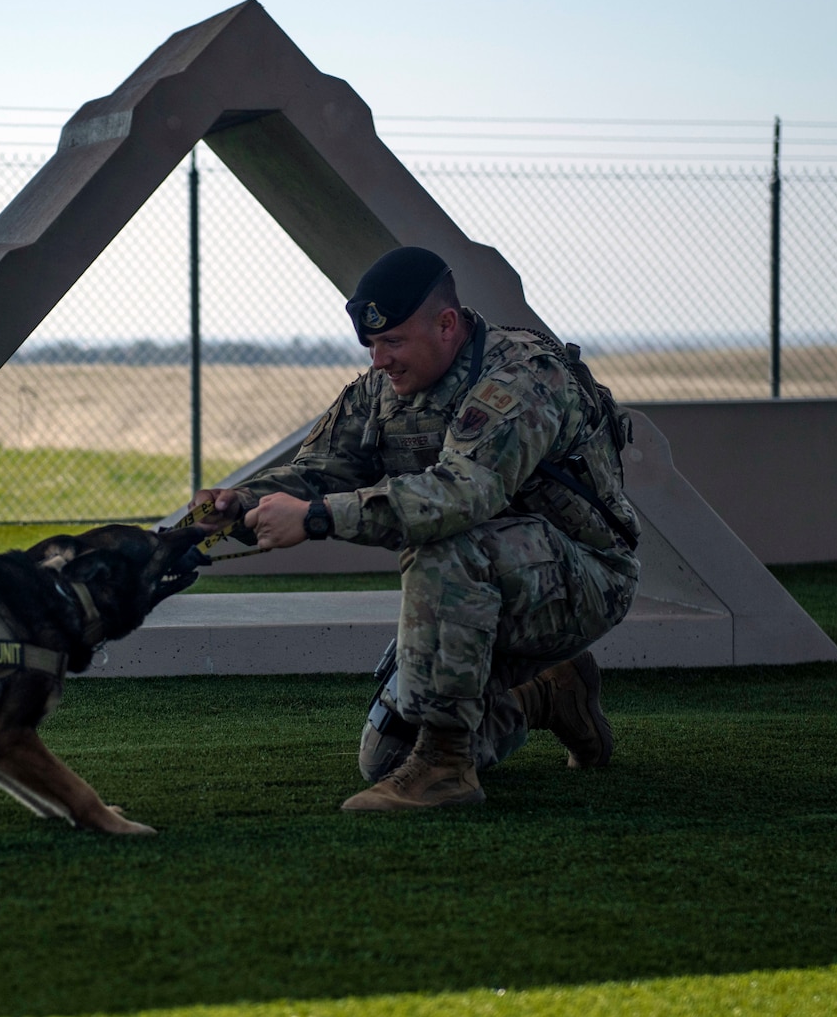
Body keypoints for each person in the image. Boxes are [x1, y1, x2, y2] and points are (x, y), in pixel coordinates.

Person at [192, 246, 641, 812]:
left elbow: (462, 493)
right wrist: (240, 503)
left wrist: (320, 518)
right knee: (382, 760)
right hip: (486, 585)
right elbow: (320, 469)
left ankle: (446, 767)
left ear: (447, 324)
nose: (379, 360)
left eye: (393, 342)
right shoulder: (383, 390)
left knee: (444, 536)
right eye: (372, 345)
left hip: (585, 579)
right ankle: (547, 694)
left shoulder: (524, 378)